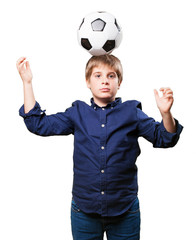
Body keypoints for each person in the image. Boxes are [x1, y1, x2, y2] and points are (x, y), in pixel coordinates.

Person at [17, 54, 183, 240]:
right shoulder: (77, 113)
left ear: (119, 82)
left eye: (111, 76)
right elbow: (38, 125)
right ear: (88, 81)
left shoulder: (132, 113)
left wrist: (166, 114)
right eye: (98, 76)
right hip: (84, 210)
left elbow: (165, 138)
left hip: (125, 210)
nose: (105, 81)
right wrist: (27, 82)